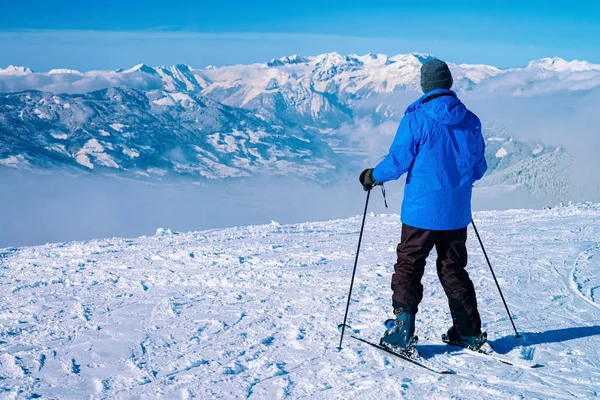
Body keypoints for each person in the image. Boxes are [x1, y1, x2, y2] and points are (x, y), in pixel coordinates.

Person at [359, 59, 488, 353]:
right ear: (449, 83)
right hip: (456, 211)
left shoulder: (416, 119)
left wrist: (371, 176)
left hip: (421, 211)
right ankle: (469, 332)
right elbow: (478, 167)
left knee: (410, 264)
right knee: (453, 268)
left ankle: (402, 333)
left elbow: (397, 162)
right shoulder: (471, 120)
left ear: (425, 85)